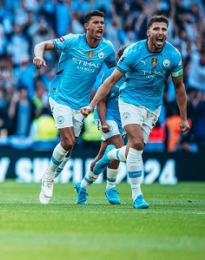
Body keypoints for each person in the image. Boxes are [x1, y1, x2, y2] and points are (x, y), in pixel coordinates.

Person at [81, 15, 190, 209]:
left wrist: (183, 118)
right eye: (156, 29)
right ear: (148, 32)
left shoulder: (173, 55)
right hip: (129, 102)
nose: (161, 33)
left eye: (164, 29)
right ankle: (136, 195)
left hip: (153, 107)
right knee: (137, 143)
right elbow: (111, 81)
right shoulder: (133, 52)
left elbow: (179, 87)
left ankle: (110, 155)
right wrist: (92, 105)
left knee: (134, 149)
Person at [33, 10, 116, 205]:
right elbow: (41, 44)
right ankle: (48, 176)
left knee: (68, 151)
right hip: (59, 96)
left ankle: (51, 174)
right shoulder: (71, 41)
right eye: (96, 23)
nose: (100, 26)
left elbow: (115, 71)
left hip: (81, 105)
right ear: (87, 26)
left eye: (102, 23)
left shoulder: (107, 48)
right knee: (68, 141)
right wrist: (38, 56)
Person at [74, 46, 128, 205]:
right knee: (119, 148)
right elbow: (102, 101)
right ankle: (110, 187)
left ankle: (82, 186)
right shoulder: (112, 75)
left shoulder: (135, 76)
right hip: (106, 116)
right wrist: (104, 123)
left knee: (101, 158)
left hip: (122, 120)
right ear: (120, 59)